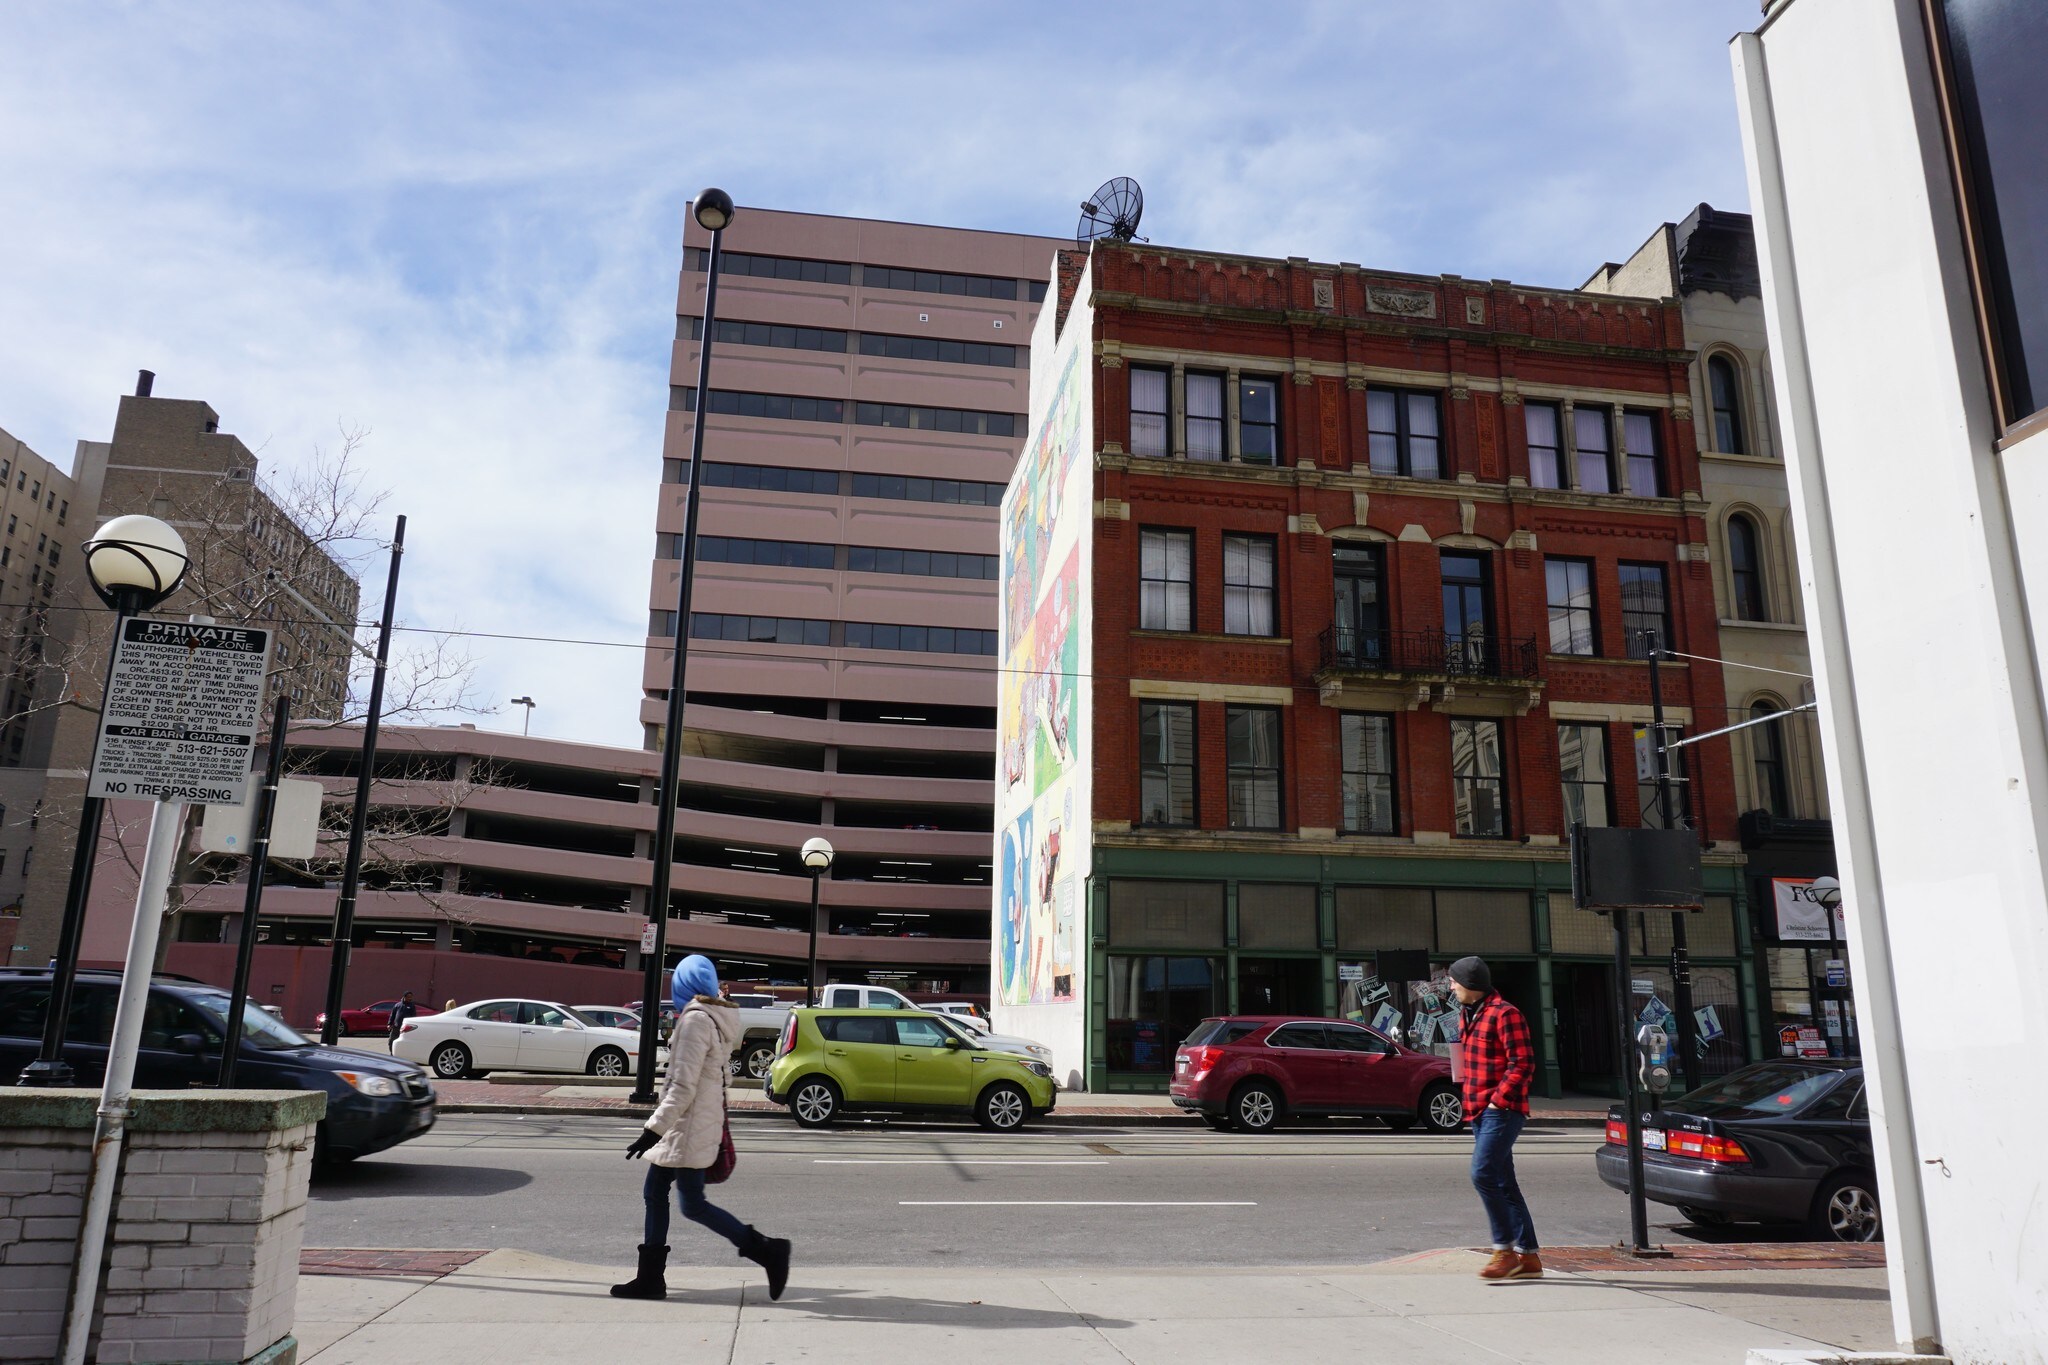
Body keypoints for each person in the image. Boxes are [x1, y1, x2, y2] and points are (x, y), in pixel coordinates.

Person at [611, 954, 790, 1302]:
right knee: (656, 1192)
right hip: (693, 1124)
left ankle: (767, 1250)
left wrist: (652, 1130)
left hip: (687, 1128)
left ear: (684, 984)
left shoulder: (695, 1020)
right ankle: (650, 1279)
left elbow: (682, 1086)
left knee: (691, 1204)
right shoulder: (713, 1016)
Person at [1448, 955, 1541, 1281]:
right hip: (1477, 1109)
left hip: (1501, 1111)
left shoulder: (1505, 1014)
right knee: (1504, 1183)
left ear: (1471, 984)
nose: (1451, 985)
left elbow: (1524, 1064)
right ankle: (1529, 1258)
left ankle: (1504, 1251)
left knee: (1482, 1174)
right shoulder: (1467, 1014)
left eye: (1454, 980)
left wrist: (1497, 1103)